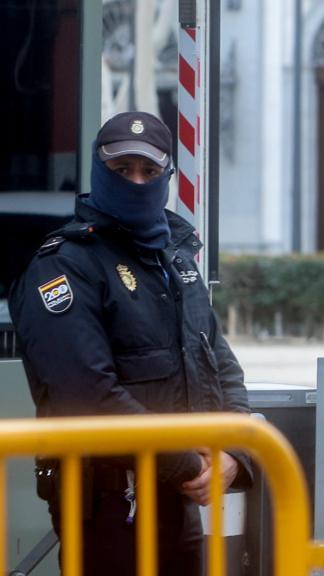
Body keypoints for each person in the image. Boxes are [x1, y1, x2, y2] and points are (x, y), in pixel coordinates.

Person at [9, 111, 252, 575]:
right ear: (101, 171)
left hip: (177, 502)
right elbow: (85, 396)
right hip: (108, 506)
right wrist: (189, 464)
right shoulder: (64, 265)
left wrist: (232, 456)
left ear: (166, 176)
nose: (136, 181)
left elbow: (222, 369)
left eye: (149, 170)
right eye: (123, 170)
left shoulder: (177, 263)